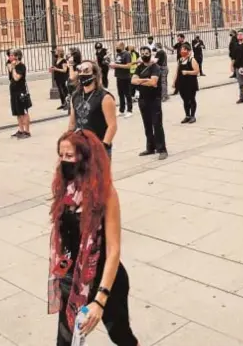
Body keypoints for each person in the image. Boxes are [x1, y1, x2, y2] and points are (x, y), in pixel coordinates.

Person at [48, 129, 139, 346]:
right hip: (73, 280)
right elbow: (67, 240)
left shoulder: (106, 193)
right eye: (61, 155)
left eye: (69, 156)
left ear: (85, 157)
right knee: (65, 341)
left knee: (121, 336)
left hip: (105, 280)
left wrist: (100, 299)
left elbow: (114, 250)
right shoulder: (66, 188)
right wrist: (60, 272)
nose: (64, 161)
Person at [68, 61, 117, 158]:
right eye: (80, 71)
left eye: (86, 71)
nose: (82, 74)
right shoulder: (76, 96)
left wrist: (104, 146)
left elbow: (112, 126)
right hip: (80, 147)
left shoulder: (105, 97)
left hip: (98, 146)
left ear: (95, 75)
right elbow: (72, 123)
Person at [132, 46, 168, 160]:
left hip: (154, 99)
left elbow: (153, 82)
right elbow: (133, 80)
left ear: (150, 54)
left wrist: (141, 81)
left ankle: (162, 149)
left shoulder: (155, 67)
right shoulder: (139, 67)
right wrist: (146, 81)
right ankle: (150, 147)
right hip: (142, 99)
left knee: (157, 124)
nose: (144, 55)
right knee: (147, 125)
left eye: (146, 53)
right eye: (142, 53)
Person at [173, 42, 200, 124]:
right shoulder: (180, 60)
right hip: (182, 83)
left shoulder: (192, 60)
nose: (182, 51)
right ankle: (187, 115)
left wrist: (187, 72)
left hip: (190, 83)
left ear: (188, 51)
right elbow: (177, 72)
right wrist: (174, 82)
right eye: (181, 49)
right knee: (185, 100)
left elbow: (197, 71)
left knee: (191, 99)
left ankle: (193, 116)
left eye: (184, 49)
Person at [8, 49, 32, 138]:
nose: (10, 57)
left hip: (21, 92)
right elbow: (11, 79)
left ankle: (27, 131)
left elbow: (17, 78)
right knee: (17, 112)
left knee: (24, 111)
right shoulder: (11, 66)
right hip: (13, 91)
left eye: (11, 55)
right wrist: (11, 67)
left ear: (17, 56)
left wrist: (13, 68)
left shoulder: (21, 66)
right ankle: (21, 130)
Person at [110, 42, 133, 117]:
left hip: (125, 77)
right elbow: (118, 64)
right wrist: (113, 66)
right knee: (120, 94)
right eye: (116, 46)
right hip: (119, 76)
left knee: (127, 94)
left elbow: (128, 66)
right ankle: (121, 110)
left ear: (122, 46)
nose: (116, 48)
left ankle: (129, 110)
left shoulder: (127, 54)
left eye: (117, 46)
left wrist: (117, 65)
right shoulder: (118, 54)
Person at [229, 30, 243, 103]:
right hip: (238, 66)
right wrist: (232, 65)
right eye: (238, 34)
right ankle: (242, 97)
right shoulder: (235, 44)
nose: (239, 36)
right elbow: (233, 56)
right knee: (240, 83)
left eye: (241, 34)